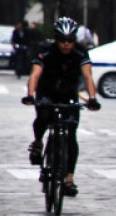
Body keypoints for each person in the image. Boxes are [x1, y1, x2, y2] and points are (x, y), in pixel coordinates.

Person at [23, 17, 100, 197]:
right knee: (43, 116)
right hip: (47, 92)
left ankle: (69, 180)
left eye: (70, 41)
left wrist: (93, 98)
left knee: (71, 134)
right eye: (62, 41)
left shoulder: (81, 54)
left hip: (68, 93)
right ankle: (38, 142)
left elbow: (88, 76)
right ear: (56, 39)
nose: (66, 45)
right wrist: (30, 95)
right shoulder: (46, 52)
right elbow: (35, 75)